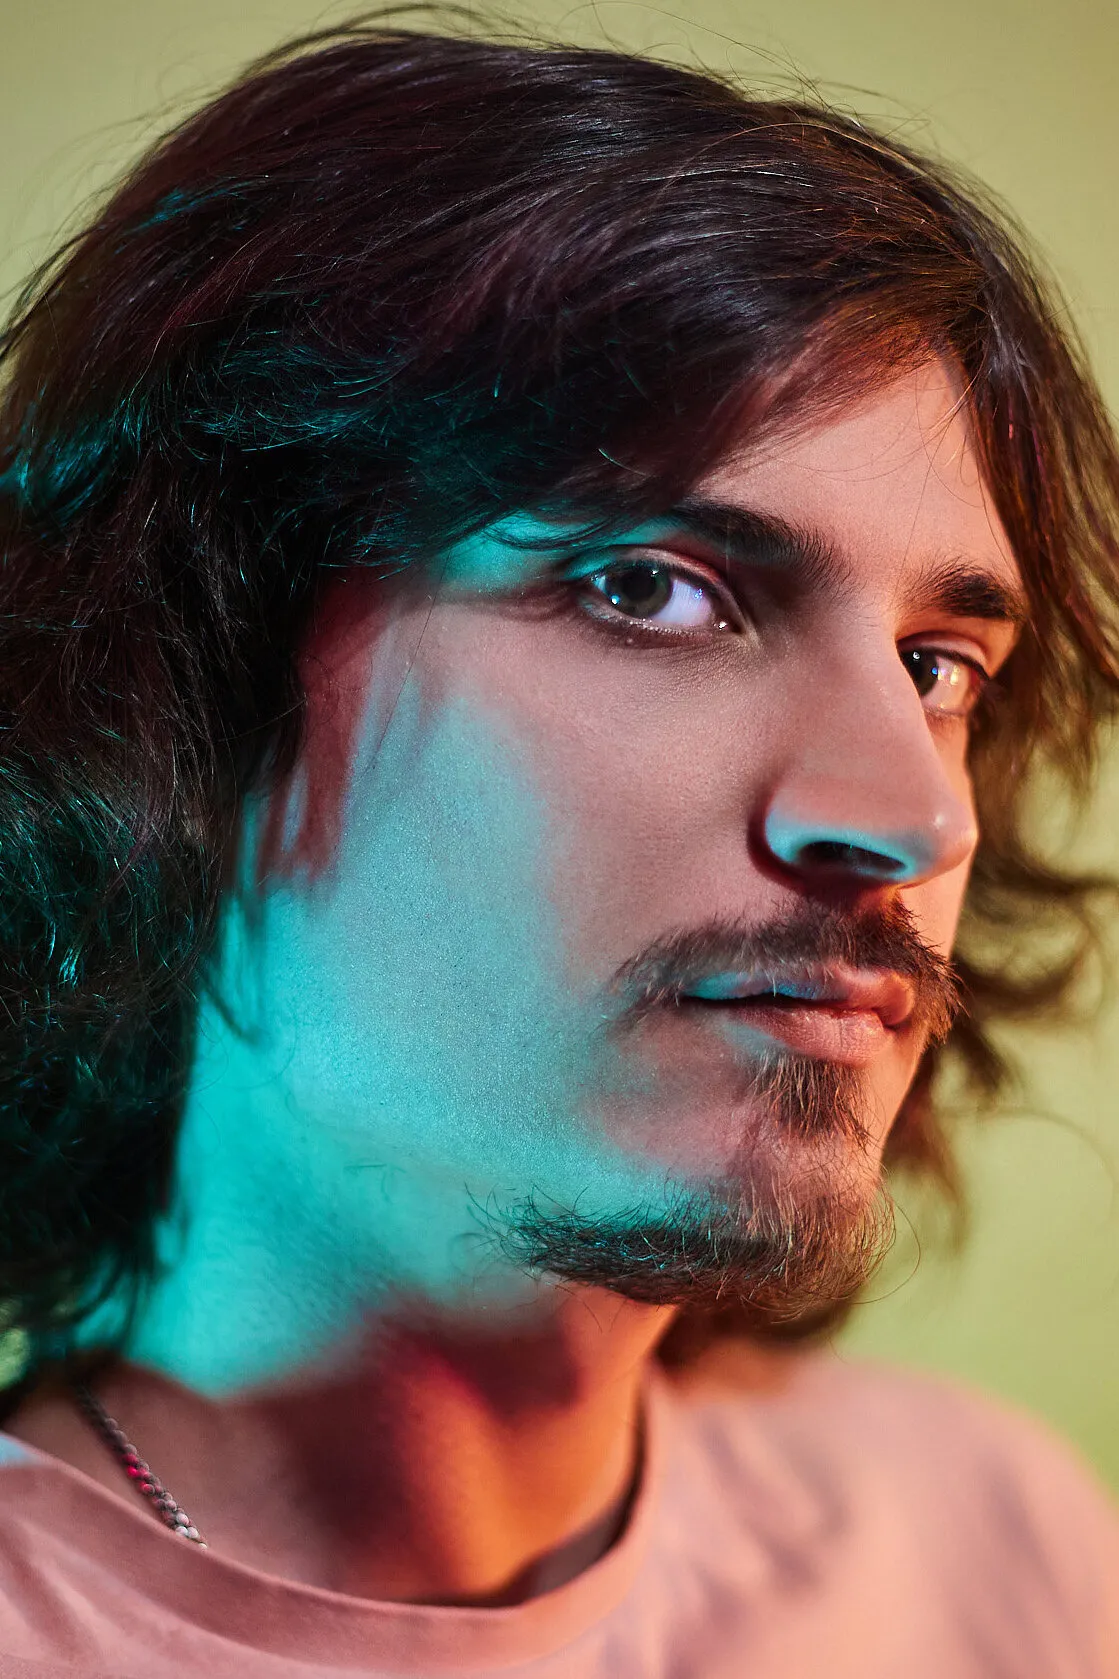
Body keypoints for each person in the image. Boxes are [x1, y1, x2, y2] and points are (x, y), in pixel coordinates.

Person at [2, 17, 1119, 1676]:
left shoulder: (990, 1546)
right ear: (176, 683)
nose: (911, 817)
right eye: (650, 588)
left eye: (935, 666)